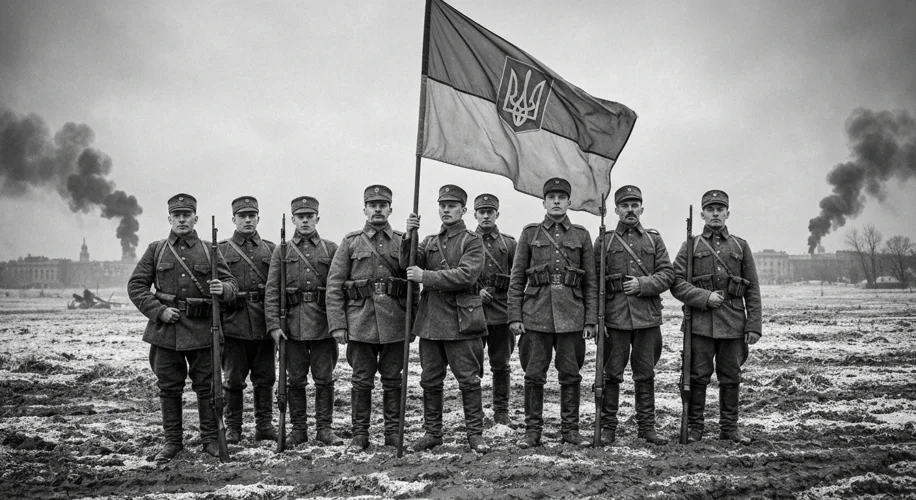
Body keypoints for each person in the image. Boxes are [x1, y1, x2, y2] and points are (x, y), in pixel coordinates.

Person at [127, 193, 238, 462]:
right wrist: (159, 311)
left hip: (203, 330)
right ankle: (173, 442)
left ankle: (211, 440)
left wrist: (222, 289)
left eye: (186, 215)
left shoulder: (210, 249)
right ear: (169, 219)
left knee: (207, 387)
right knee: (169, 388)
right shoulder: (157, 249)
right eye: (176, 215)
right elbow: (136, 286)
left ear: (195, 218)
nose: (182, 219)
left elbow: (232, 285)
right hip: (167, 331)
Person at [507, 178, 598, 448]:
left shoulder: (581, 235)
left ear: (569, 202)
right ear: (544, 202)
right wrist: (515, 316)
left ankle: (570, 430)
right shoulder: (530, 233)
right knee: (534, 375)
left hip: (572, 316)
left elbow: (590, 282)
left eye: (561, 197)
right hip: (536, 315)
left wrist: (590, 319)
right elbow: (516, 279)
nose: (556, 201)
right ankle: (532, 432)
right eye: (551, 197)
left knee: (570, 375)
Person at [401, 184, 490, 453]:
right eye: (442, 205)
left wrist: (425, 277)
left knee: (469, 380)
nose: (446, 210)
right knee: (430, 380)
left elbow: (466, 276)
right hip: (430, 322)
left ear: (463, 210)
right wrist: (409, 234)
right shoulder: (428, 240)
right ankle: (433, 433)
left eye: (452, 206)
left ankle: (475, 435)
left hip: (461, 320)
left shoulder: (472, 241)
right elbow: (406, 263)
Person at [670, 190, 762, 444]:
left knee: (731, 376)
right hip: (700, 323)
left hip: (733, 322)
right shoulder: (691, 245)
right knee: (697, 377)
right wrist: (703, 297)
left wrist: (753, 325)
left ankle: (729, 429)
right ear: (702, 214)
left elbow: (752, 288)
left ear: (727, 213)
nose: (715, 214)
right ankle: (695, 428)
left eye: (720, 209)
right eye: (710, 210)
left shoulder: (740, 246)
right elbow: (676, 283)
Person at [326, 185, 408, 450]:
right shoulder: (351, 242)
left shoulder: (402, 240)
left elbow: (412, 285)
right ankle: (360, 435)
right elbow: (334, 285)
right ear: (364, 209)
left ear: (390, 209)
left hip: (395, 322)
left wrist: (412, 322)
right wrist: (338, 324)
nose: (377, 209)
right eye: (372, 205)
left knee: (393, 379)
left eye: (382, 205)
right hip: (360, 322)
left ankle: (393, 434)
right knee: (361, 380)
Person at [594, 185, 674, 445]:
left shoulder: (653, 239)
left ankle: (647, 429)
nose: (630, 210)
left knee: (645, 374)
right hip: (614, 319)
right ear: (616, 210)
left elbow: (668, 274)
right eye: (625, 206)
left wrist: (643, 285)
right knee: (611, 375)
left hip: (647, 319)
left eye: (634, 205)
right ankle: (608, 429)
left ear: (642, 208)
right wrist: (598, 319)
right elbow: (594, 283)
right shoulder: (604, 240)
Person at [265, 196, 344, 447]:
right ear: (293, 220)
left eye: (310, 216)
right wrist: (274, 325)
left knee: (325, 378)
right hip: (292, 326)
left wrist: (337, 323)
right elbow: (272, 289)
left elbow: (338, 287)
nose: (306, 220)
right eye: (301, 217)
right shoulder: (282, 250)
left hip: (323, 325)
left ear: (317, 218)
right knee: (295, 380)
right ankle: (298, 429)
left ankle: (324, 429)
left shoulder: (331, 248)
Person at [218, 196, 278, 444]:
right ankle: (233, 428)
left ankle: (264, 426)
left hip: (264, 325)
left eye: (252, 215)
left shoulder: (271, 250)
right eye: (242, 216)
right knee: (233, 380)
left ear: (258, 218)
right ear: (233, 219)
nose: (248, 220)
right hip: (234, 324)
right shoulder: (221, 250)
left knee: (265, 378)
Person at [472, 193, 517, 425]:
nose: (486, 216)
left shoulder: (509, 243)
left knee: (501, 364)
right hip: (474, 313)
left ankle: (501, 412)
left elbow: (518, 279)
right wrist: (474, 293)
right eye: (482, 212)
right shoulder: (466, 240)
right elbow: (459, 273)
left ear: (497, 214)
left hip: (502, 311)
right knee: (473, 367)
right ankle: (475, 413)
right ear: (475, 215)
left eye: (490, 212)